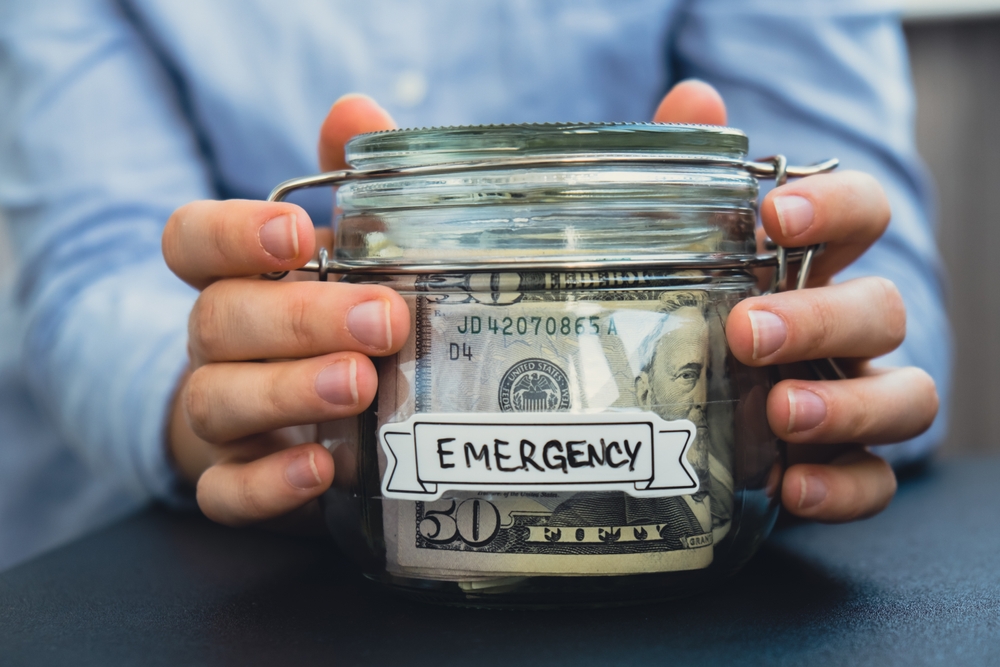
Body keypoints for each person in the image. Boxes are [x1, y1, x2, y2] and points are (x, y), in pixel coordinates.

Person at [0, 1, 945, 570]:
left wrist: (829, 352)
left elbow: (874, 262)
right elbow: (91, 260)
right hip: (167, 554)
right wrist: (240, 397)